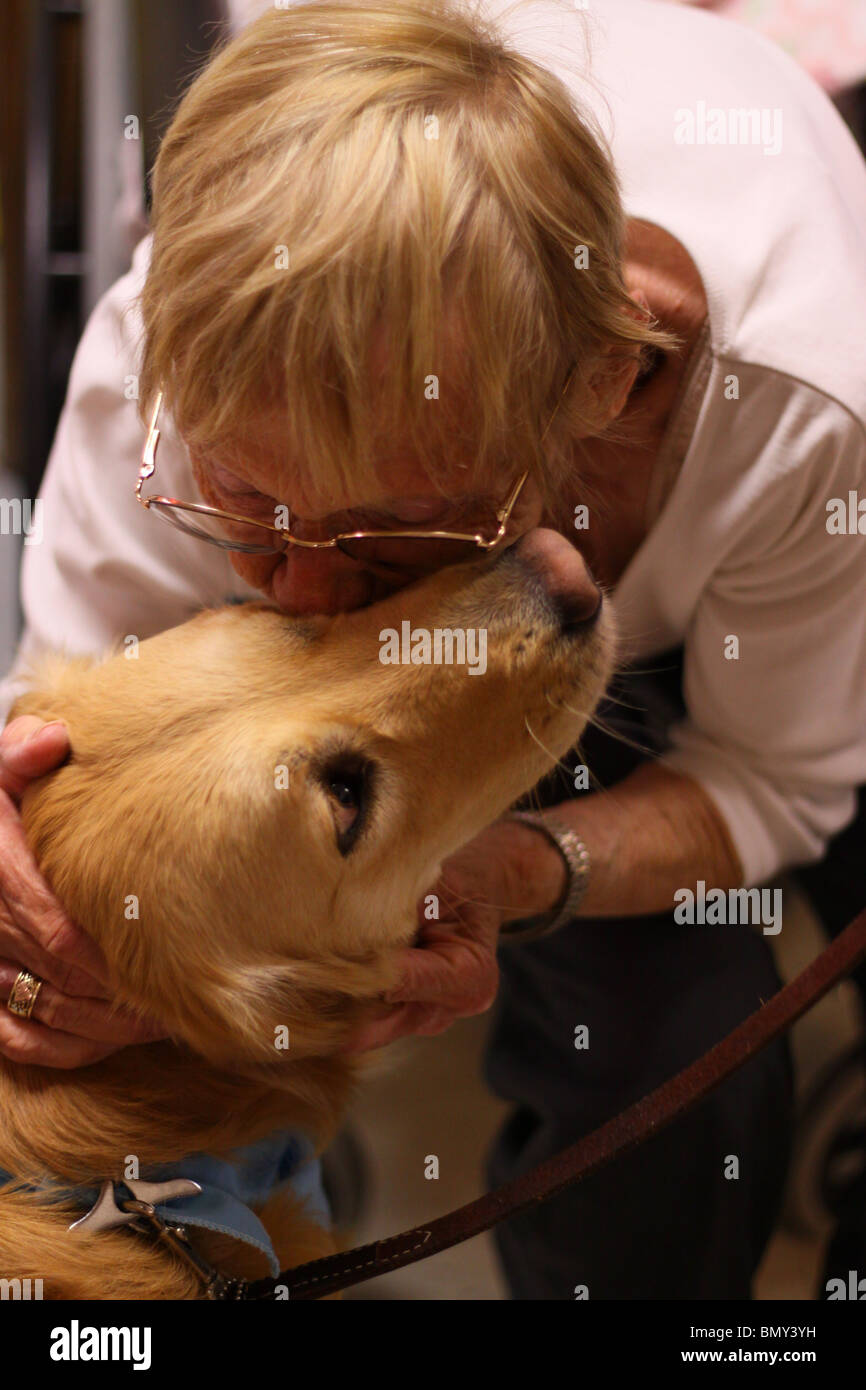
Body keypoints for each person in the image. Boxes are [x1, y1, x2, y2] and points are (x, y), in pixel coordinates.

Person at [2, 0, 865, 1299]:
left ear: (605, 385)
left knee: (688, 1036)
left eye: (386, 533)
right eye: (241, 510)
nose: (293, 585)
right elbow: (59, 728)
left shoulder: (800, 410)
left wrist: (509, 872)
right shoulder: (175, 360)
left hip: (715, 615)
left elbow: (773, 776)